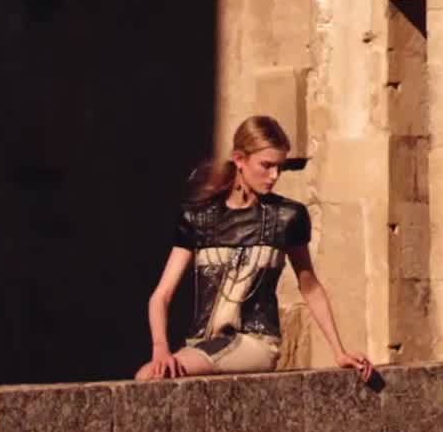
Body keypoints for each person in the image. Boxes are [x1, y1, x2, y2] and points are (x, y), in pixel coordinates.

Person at [134, 114, 373, 382]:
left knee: (151, 377)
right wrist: (161, 349)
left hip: (255, 343)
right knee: (149, 374)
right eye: (266, 166)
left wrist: (339, 352)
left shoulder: (287, 217)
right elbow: (161, 296)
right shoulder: (197, 218)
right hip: (201, 344)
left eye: (279, 167)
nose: (274, 176)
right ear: (239, 159)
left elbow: (310, 288)